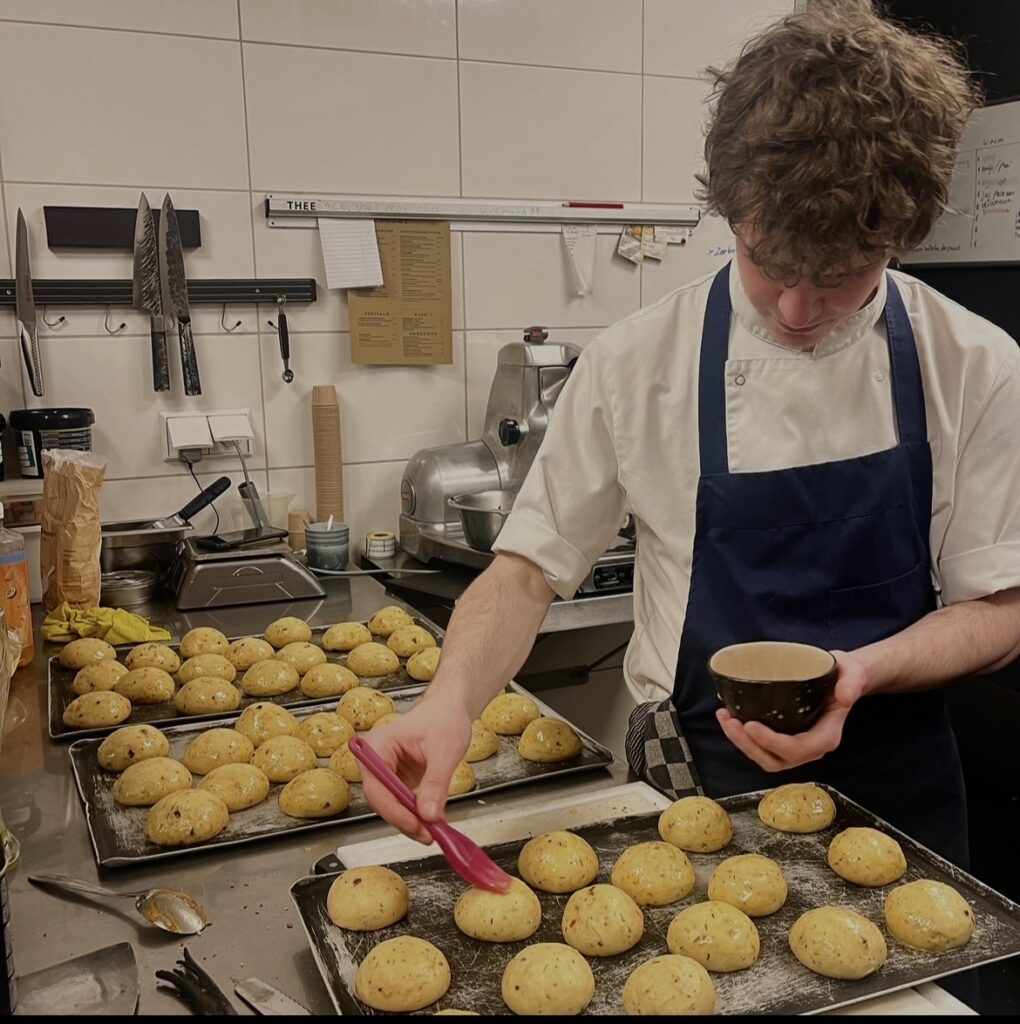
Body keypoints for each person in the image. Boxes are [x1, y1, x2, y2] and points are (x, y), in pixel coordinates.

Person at [362, 0, 1020, 870]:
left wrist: (858, 673)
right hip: (689, 786)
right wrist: (451, 699)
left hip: (896, 791)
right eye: (769, 264)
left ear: (901, 237)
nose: (794, 310)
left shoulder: (975, 363)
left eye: (839, 279)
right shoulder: (639, 361)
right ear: (730, 208)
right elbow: (524, 574)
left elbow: (1001, 609)